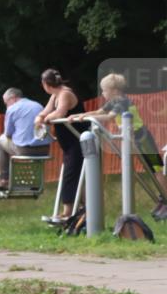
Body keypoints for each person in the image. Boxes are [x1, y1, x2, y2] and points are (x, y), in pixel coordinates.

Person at [68, 73, 167, 219]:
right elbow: (99, 112)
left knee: (156, 169)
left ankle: (164, 197)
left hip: (142, 137)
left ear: (114, 90)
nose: (103, 93)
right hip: (132, 138)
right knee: (147, 169)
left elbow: (108, 117)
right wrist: (79, 115)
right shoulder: (113, 101)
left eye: (105, 90)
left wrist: (86, 117)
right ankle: (162, 199)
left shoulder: (121, 101)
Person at [35, 69, 89, 220]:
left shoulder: (65, 93)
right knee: (75, 175)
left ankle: (67, 212)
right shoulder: (55, 95)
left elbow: (59, 113)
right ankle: (84, 209)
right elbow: (46, 111)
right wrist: (39, 117)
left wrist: (45, 120)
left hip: (77, 141)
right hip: (68, 144)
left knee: (70, 176)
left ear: (45, 84)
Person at [0, 88, 50, 189]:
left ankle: (4, 179)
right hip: (44, 149)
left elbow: (8, 134)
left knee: (0, 143)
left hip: (25, 150)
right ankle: (34, 181)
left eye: (6, 103)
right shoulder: (38, 105)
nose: (6, 106)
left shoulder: (12, 109)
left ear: (13, 98)